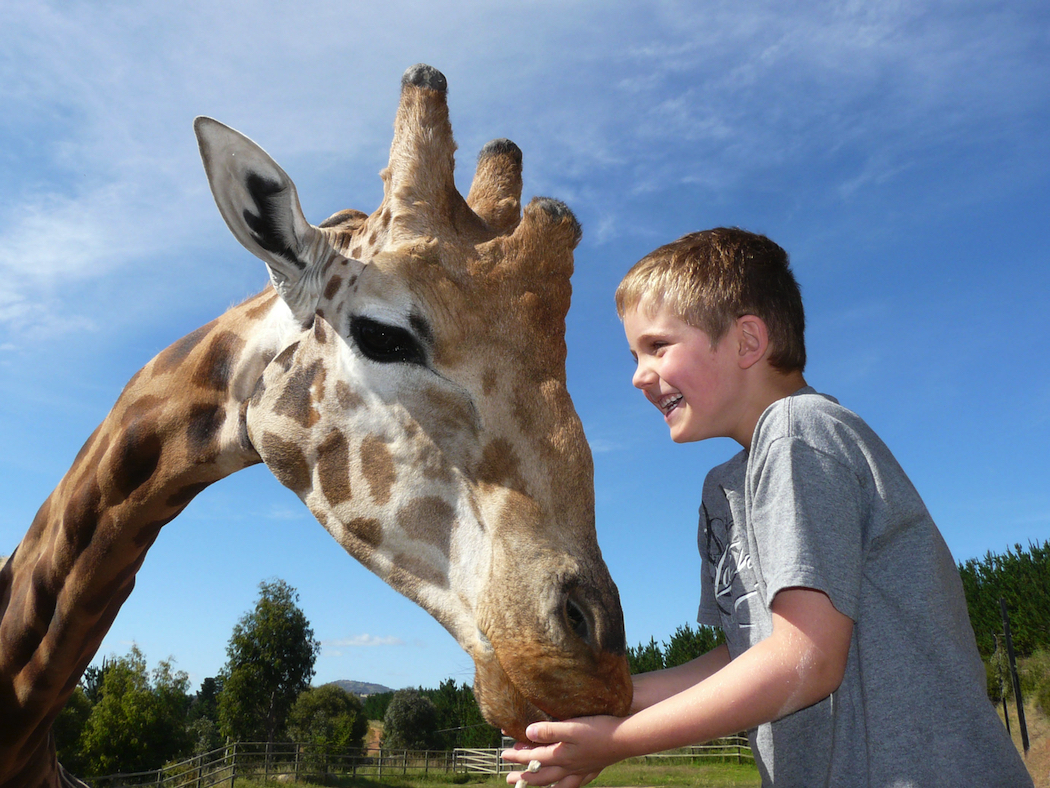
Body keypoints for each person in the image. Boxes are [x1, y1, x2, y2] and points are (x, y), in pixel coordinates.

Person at [501, 228, 1031, 787]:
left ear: (747, 341)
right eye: (634, 354)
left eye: (658, 346)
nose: (637, 376)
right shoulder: (724, 490)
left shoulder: (798, 434)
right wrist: (597, 706)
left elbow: (807, 658)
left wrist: (617, 743)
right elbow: (745, 652)